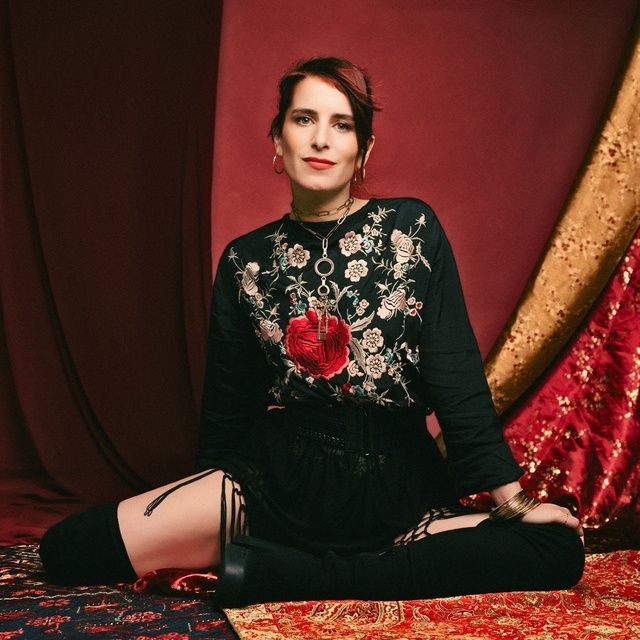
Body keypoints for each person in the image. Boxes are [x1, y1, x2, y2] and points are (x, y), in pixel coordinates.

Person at [39, 57, 584, 606]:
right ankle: (340, 568)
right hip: (279, 483)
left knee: (556, 548)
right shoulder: (245, 261)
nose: (321, 139)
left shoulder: (412, 229)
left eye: (341, 125)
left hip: (399, 492)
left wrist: (512, 502)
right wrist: (204, 510)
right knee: (67, 549)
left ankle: (288, 574)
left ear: (363, 149)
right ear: (278, 139)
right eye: (304, 119)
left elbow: (456, 376)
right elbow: (228, 407)